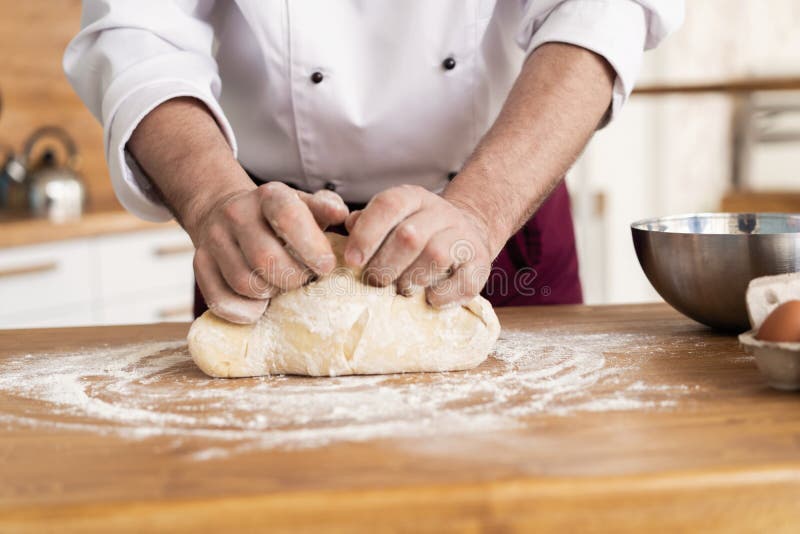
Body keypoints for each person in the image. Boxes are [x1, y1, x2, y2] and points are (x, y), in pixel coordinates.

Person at [64, 1, 683, 324]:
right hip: (268, 236)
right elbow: (136, 29)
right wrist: (210, 199)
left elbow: (601, 7)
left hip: (502, 212)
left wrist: (480, 210)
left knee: (530, 481)